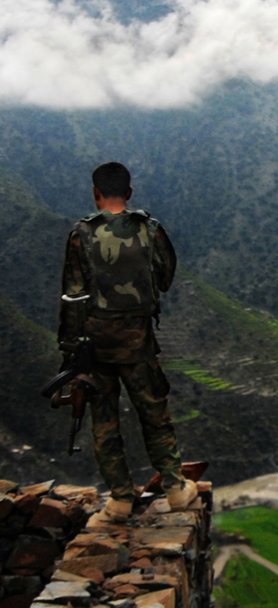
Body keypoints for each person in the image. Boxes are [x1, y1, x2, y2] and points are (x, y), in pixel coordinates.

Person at [58, 161, 196, 521]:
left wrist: (72, 351)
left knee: (104, 421)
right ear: (130, 193)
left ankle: (119, 499)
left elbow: (72, 295)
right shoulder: (151, 230)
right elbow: (164, 278)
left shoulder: (81, 234)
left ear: (96, 193)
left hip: (95, 346)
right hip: (139, 344)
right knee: (154, 414)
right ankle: (176, 488)